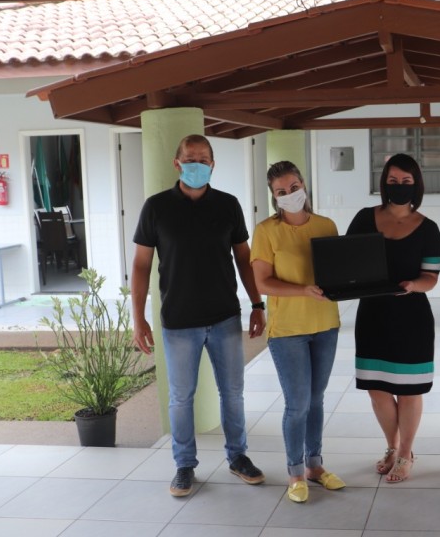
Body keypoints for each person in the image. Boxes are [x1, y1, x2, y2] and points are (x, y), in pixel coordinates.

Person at [131, 133, 266, 497]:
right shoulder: (156, 207)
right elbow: (141, 265)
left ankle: (238, 457)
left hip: (224, 317)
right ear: (177, 163)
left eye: (203, 160)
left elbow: (243, 258)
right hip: (178, 321)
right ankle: (184, 465)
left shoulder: (228, 205)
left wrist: (257, 304)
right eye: (190, 159)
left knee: (233, 394)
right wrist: (138, 317)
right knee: (181, 398)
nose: (197, 165)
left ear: (212, 165)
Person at [250, 161, 346, 504]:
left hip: (325, 326)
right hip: (288, 330)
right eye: (281, 192)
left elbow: (337, 270)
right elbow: (263, 283)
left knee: (316, 399)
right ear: (273, 197)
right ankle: (295, 473)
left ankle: (315, 466)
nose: (290, 195)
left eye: (293, 188)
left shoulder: (326, 225)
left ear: (303, 185)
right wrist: (304, 290)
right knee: (297, 404)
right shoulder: (266, 231)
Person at [347, 153, 440, 484]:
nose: (399, 186)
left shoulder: (428, 228)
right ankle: (392, 446)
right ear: (383, 184)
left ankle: (406, 452)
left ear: (416, 185)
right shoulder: (364, 218)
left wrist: (414, 285)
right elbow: (347, 261)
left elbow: (431, 277)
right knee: (377, 389)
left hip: (411, 317)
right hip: (372, 315)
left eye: (406, 181)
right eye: (393, 181)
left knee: (410, 391)